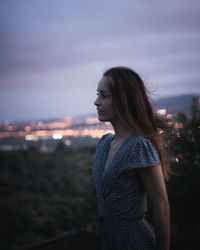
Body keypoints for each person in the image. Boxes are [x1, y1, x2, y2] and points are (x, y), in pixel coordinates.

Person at [92, 66, 170, 250]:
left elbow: (162, 205)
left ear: (123, 100)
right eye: (98, 94)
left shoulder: (138, 147)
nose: (96, 102)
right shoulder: (104, 144)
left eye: (104, 95)